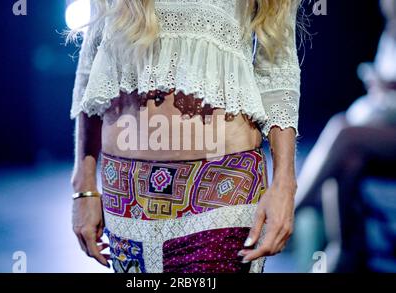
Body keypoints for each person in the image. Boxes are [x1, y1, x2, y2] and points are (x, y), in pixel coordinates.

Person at [70, 0, 302, 273]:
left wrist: (285, 184)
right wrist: (83, 186)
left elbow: (278, 69)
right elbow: (91, 62)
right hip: (125, 189)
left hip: (221, 188)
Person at [295, 0, 396, 272]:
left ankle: (292, 209)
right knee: (349, 161)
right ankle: (344, 249)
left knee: (343, 132)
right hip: (385, 124)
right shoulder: (389, 32)